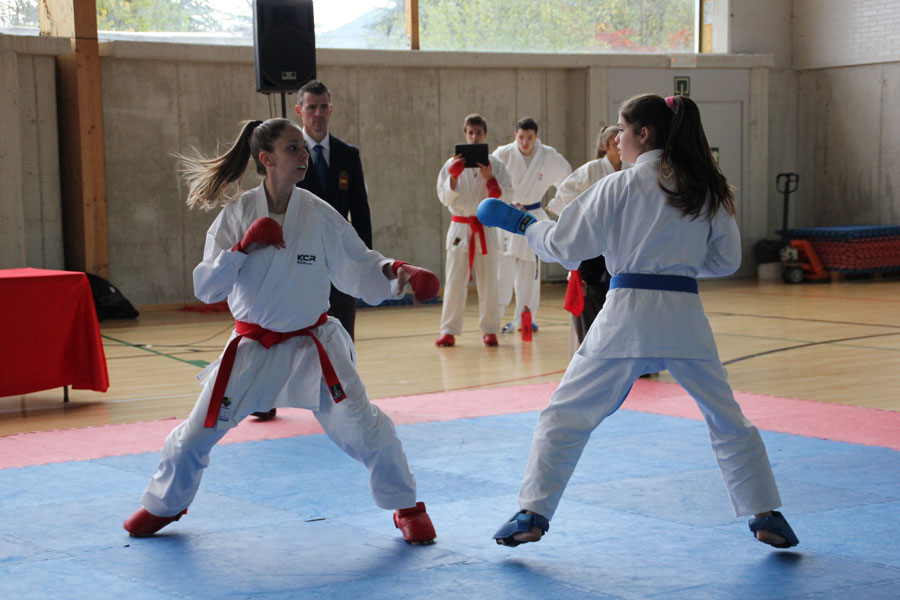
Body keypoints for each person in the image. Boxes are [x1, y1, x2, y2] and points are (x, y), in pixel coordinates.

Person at [478, 94, 798, 550]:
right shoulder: (704, 187)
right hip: (685, 317)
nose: (616, 139)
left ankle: (532, 513)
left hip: (627, 315)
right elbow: (726, 260)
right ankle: (767, 514)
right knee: (727, 418)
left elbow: (566, 246)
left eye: (622, 130)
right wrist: (678, 264)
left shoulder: (619, 186)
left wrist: (522, 224)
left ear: (643, 134)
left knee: (564, 414)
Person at [123, 118, 438, 545]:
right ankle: (165, 504)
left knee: (367, 428)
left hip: (314, 346)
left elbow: (358, 263)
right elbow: (207, 287)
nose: (304, 155)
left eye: (303, 148)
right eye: (293, 148)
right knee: (196, 433)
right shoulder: (237, 215)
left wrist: (396, 271)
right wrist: (241, 249)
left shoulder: (318, 214)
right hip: (253, 348)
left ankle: (406, 506)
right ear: (266, 159)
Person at [295, 79, 372, 341]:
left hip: (340, 257)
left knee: (343, 331)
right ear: (299, 111)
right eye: (311, 107)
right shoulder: (289, 153)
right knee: (304, 334)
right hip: (300, 255)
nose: (318, 113)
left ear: (331, 109)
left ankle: (343, 368)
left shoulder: (348, 154)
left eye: (323, 107)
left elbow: (360, 210)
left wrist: (364, 258)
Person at [435, 114, 513, 348]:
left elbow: (508, 196)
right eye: (470, 133)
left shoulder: (496, 165)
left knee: (489, 282)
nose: (474, 137)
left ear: (485, 135)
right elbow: (443, 197)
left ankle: (490, 330)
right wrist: (453, 177)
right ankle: (448, 330)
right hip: (460, 227)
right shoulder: (451, 164)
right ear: (465, 135)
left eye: (478, 133)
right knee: (454, 281)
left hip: (485, 226)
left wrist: (491, 179)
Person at [547, 125, 626, 354]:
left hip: (622, 242)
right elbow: (564, 194)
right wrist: (590, 213)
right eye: (615, 142)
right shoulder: (592, 170)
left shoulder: (631, 169)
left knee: (621, 295)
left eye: (621, 140)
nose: (619, 146)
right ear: (605, 146)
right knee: (592, 292)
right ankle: (594, 346)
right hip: (595, 243)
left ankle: (624, 348)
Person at [492, 118, 571, 334]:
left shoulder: (549, 155)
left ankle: (527, 317)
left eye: (529, 138)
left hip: (532, 216)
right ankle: (494, 318)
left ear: (536, 136)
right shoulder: (502, 155)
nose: (525, 142)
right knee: (502, 271)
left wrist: (557, 204)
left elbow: (569, 180)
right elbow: (489, 180)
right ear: (515, 136)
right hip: (507, 216)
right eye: (521, 137)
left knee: (530, 271)